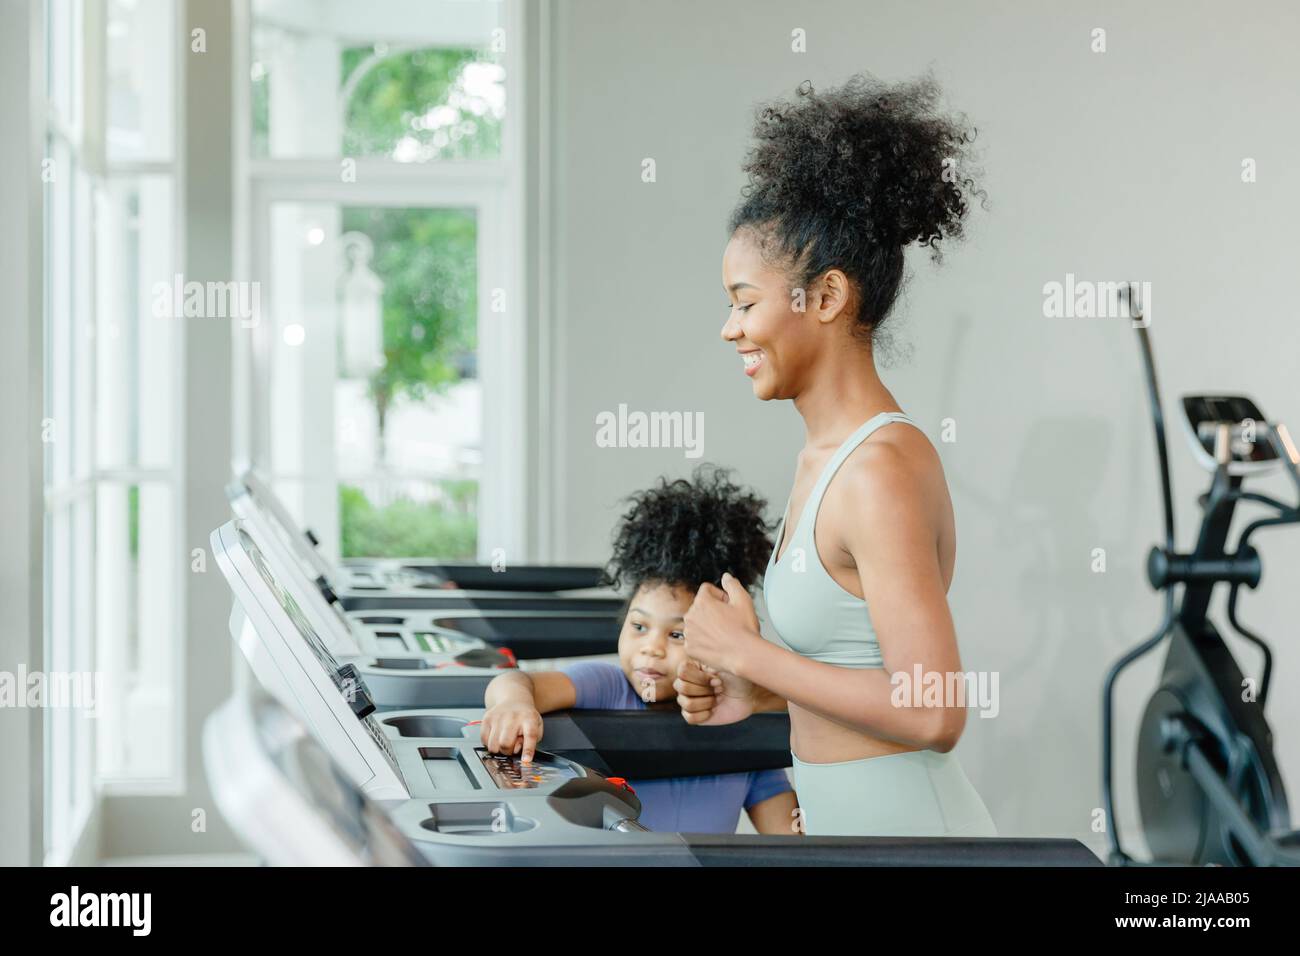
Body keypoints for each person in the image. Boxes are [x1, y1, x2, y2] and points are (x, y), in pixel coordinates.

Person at [676, 72, 997, 838]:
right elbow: (861, 675)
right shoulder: (824, 458)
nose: (730, 329)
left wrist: (753, 659)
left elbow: (933, 709)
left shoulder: (878, 470)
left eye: (745, 301)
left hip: (916, 839)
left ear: (825, 298)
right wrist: (758, 697)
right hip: (853, 832)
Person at [479, 464, 799, 834]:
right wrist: (513, 704)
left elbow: (792, 843)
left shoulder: (744, 733)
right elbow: (518, 681)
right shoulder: (605, 686)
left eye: (677, 635)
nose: (652, 649)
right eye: (639, 626)